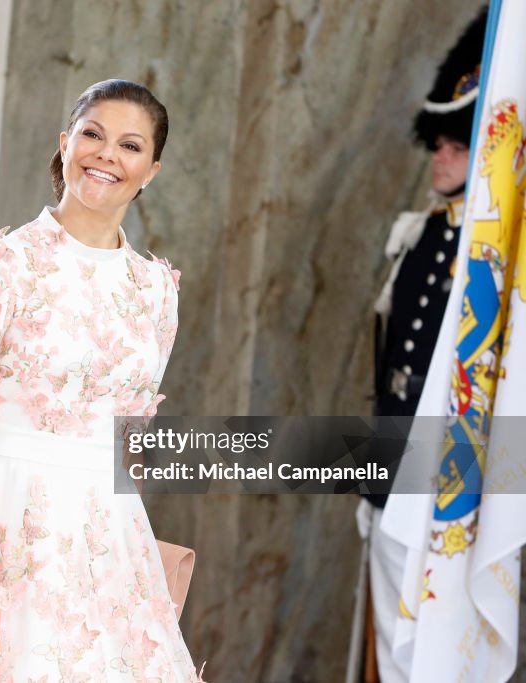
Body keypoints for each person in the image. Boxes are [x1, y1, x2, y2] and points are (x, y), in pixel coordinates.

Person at [0, 79, 201, 681]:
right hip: (2, 518)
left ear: (152, 170)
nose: (106, 154)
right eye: (92, 134)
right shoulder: (1, 263)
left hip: (107, 539)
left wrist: (131, 554)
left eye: (129, 146)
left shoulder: (156, 290)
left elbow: (130, 440)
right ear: (65, 144)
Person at [359, 9, 486, 682]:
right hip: (393, 453)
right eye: (436, 143)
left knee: (440, 640)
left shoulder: (486, 254)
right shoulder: (421, 233)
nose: (439, 155)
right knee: (391, 627)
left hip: (449, 468)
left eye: (456, 146)